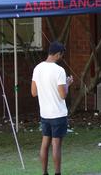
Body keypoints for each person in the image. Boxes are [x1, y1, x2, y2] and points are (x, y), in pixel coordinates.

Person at [31, 41, 73, 175]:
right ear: (58, 54)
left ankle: (44, 172)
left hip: (45, 113)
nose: (61, 58)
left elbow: (34, 92)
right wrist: (67, 84)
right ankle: (57, 173)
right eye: (61, 55)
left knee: (45, 143)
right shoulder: (59, 70)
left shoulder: (37, 68)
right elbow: (62, 95)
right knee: (56, 144)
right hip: (58, 113)